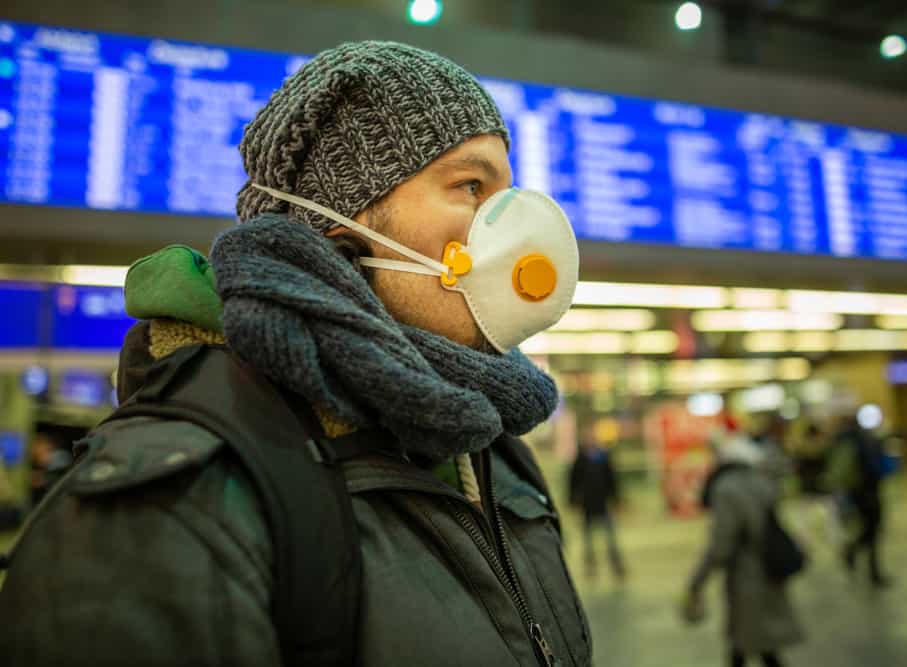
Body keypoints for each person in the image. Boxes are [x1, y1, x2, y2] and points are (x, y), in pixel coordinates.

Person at [0, 42, 591, 666]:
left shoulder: (494, 451)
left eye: (507, 190)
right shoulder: (177, 505)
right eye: (471, 186)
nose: (512, 220)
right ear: (343, 223)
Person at [684, 425, 805, 667]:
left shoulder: (726, 489)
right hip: (769, 570)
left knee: (748, 643)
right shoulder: (760, 481)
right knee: (760, 645)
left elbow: (721, 546)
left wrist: (697, 582)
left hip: (746, 578)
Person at [825, 414, 892, 588]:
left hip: (856, 490)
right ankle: (870, 569)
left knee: (870, 528)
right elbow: (872, 464)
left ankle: (856, 556)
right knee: (873, 528)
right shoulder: (859, 439)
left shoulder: (842, 440)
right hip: (867, 490)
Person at [568, 428, 626, 580]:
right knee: (588, 538)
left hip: (603, 503)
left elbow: (612, 479)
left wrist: (616, 498)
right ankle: (590, 566)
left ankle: (617, 566)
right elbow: (572, 480)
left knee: (610, 536)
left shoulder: (604, 457)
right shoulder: (580, 459)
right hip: (587, 504)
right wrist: (572, 499)